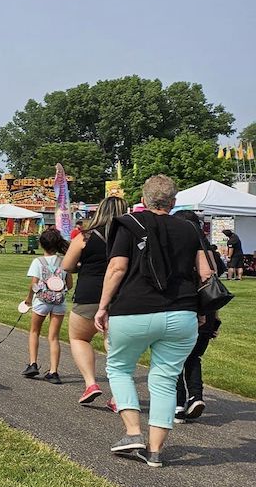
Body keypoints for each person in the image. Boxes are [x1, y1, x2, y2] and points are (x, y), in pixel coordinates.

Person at [95, 175, 214, 468]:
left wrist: (102, 306)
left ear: (144, 199)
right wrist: (203, 311)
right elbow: (206, 273)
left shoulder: (129, 224)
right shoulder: (189, 229)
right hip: (182, 313)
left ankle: (133, 432)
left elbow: (117, 267)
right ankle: (156, 451)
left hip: (134, 309)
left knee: (120, 367)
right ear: (173, 202)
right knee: (164, 379)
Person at [61, 195, 127, 405]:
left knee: (79, 338)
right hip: (121, 296)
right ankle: (119, 395)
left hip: (89, 295)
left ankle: (91, 383)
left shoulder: (85, 237)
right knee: (117, 348)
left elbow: (67, 266)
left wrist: (82, 265)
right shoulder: (129, 236)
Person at [174, 210, 220, 422]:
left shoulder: (175, 250)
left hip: (182, 307)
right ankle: (196, 396)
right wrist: (214, 317)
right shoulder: (209, 252)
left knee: (173, 359)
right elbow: (213, 287)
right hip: (206, 310)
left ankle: (177, 404)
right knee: (194, 357)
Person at [22, 227, 70, 383]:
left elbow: (33, 284)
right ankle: (54, 371)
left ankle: (33, 363)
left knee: (34, 331)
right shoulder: (64, 262)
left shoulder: (38, 262)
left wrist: (29, 299)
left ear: (41, 245)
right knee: (54, 337)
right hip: (59, 302)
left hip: (42, 300)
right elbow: (69, 283)